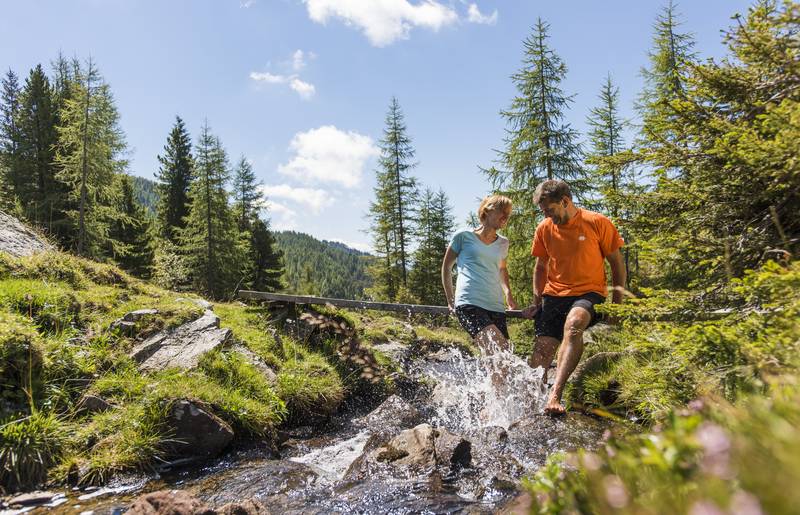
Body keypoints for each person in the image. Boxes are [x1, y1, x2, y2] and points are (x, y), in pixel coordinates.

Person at [523, 180, 626, 415]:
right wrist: (537, 302)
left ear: (565, 201)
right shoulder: (544, 228)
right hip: (554, 295)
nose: (547, 215)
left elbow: (617, 266)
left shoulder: (597, 222)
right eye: (543, 211)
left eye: (549, 209)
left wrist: (617, 307)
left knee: (574, 325)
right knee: (542, 351)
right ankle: (528, 405)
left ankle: (555, 394)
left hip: (589, 292)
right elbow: (541, 267)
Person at [442, 195, 517, 354]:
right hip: (469, 302)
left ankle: (489, 381)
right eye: (502, 212)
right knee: (499, 350)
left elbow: (502, 269)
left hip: (496, 305)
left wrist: (508, 294)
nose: (506, 216)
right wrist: (450, 300)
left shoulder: (503, 243)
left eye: (508, 214)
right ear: (487, 211)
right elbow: (446, 268)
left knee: (502, 357)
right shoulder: (463, 236)